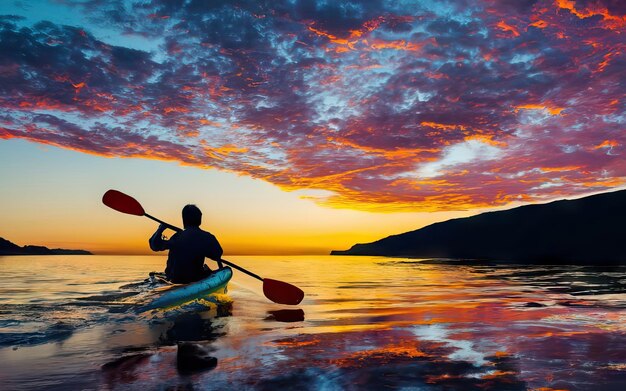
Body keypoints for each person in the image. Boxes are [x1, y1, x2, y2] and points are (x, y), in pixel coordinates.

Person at [149, 204, 223, 284]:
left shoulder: (177, 237)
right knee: (206, 270)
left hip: (173, 280)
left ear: (184, 220)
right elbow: (218, 254)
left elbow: (154, 245)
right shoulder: (208, 237)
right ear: (200, 219)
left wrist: (160, 229)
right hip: (194, 279)